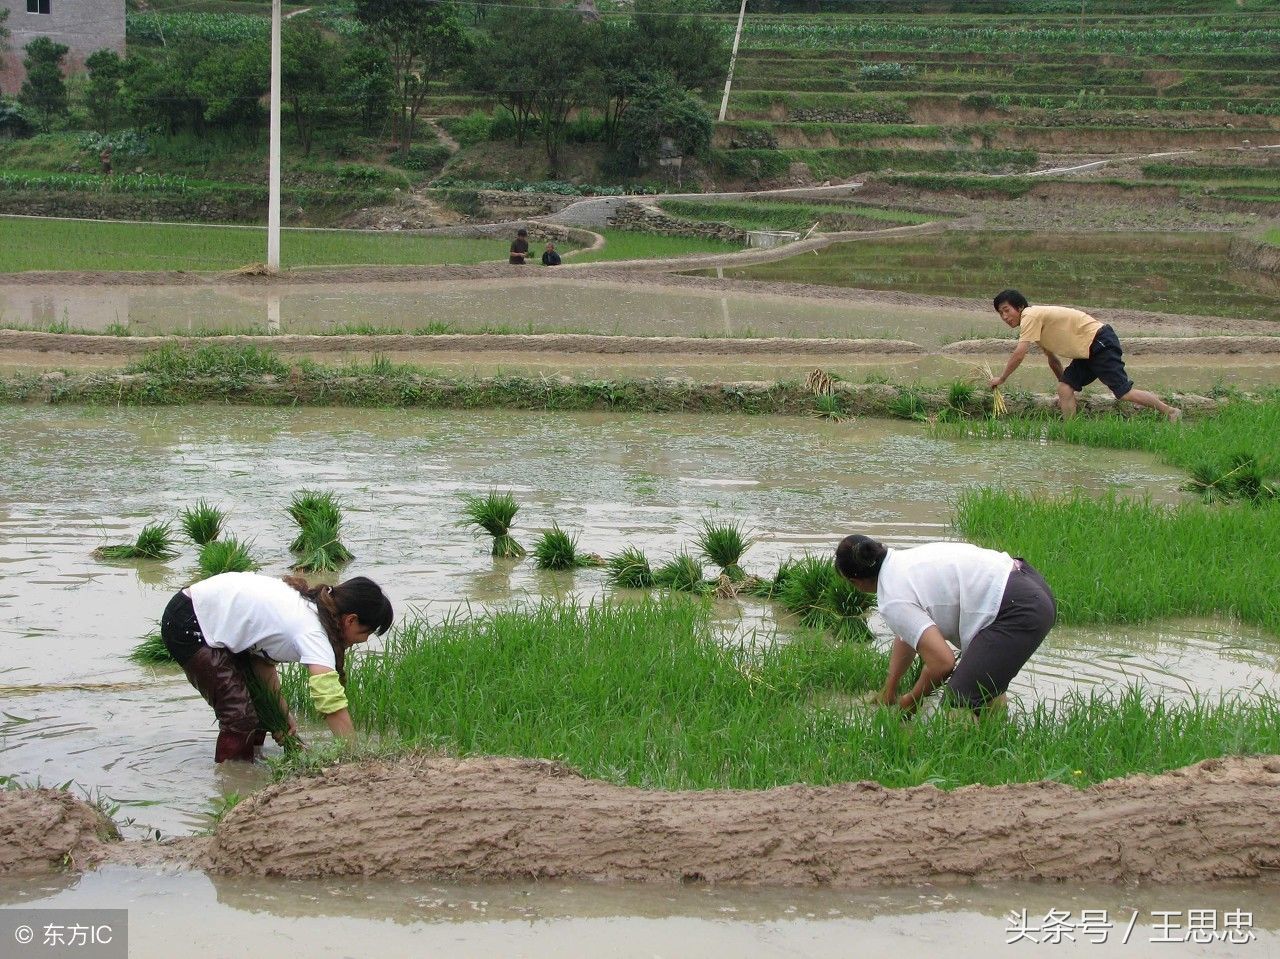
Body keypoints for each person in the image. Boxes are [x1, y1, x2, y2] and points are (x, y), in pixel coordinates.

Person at [159, 571, 393, 762]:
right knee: (239, 716)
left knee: (262, 704)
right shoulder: (313, 631)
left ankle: (254, 763)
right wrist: (355, 756)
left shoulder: (310, 610)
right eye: (367, 632)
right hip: (190, 621)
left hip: (207, 615)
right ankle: (232, 782)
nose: (363, 640)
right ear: (350, 619)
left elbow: (261, 661)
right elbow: (329, 701)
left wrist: (282, 714)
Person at [834, 535, 1055, 716]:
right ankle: (996, 740)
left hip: (1018, 607)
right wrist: (889, 690)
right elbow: (908, 634)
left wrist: (909, 703)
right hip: (1028, 583)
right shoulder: (900, 562)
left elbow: (942, 663)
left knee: (959, 701)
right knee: (982, 682)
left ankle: (972, 763)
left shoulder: (892, 598)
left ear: (856, 582)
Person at [988, 289, 1181, 422]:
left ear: (1020, 307)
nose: (1005, 317)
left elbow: (1019, 354)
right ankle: (1072, 431)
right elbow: (1052, 359)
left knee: (1123, 393)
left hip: (1099, 342)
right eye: (1000, 313)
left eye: (1007, 310)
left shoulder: (1030, 315)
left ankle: (1170, 411)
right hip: (1085, 351)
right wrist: (1066, 381)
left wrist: (1002, 378)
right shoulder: (1033, 324)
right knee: (1064, 388)